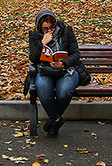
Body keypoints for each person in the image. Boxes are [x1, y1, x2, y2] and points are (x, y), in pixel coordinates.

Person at [29, 9, 81, 137]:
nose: (49, 31)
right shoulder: (35, 35)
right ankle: (57, 119)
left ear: (55, 23)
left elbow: (76, 54)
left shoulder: (66, 31)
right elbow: (33, 58)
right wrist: (42, 43)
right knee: (42, 88)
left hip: (66, 70)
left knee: (65, 91)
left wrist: (63, 63)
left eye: (51, 27)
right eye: (45, 29)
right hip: (45, 71)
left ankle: (52, 121)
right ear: (39, 27)